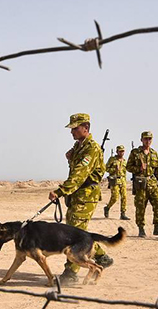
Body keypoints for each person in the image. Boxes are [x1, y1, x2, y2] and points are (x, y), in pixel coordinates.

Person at [48, 113, 111, 285]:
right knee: (77, 233)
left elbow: (80, 174)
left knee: (74, 237)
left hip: (85, 197)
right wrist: (70, 158)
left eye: (75, 128)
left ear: (86, 128)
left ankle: (70, 274)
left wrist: (60, 191)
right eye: (72, 128)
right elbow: (76, 169)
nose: (72, 132)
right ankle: (102, 257)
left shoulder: (91, 148)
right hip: (77, 196)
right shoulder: (79, 147)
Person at [126, 131, 158, 238]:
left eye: (149, 139)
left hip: (152, 183)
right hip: (140, 184)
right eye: (145, 139)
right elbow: (128, 167)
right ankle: (141, 229)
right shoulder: (135, 152)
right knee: (140, 207)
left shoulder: (154, 153)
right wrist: (138, 169)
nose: (148, 141)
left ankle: (157, 228)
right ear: (141, 140)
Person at [104, 145, 130, 220]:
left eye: (123, 151)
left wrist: (125, 180)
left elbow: (125, 172)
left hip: (122, 181)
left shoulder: (124, 161)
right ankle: (107, 207)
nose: (121, 153)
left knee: (124, 197)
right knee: (115, 197)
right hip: (114, 180)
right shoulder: (112, 159)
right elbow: (106, 168)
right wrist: (114, 169)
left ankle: (123, 214)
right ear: (117, 151)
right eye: (120, 151)